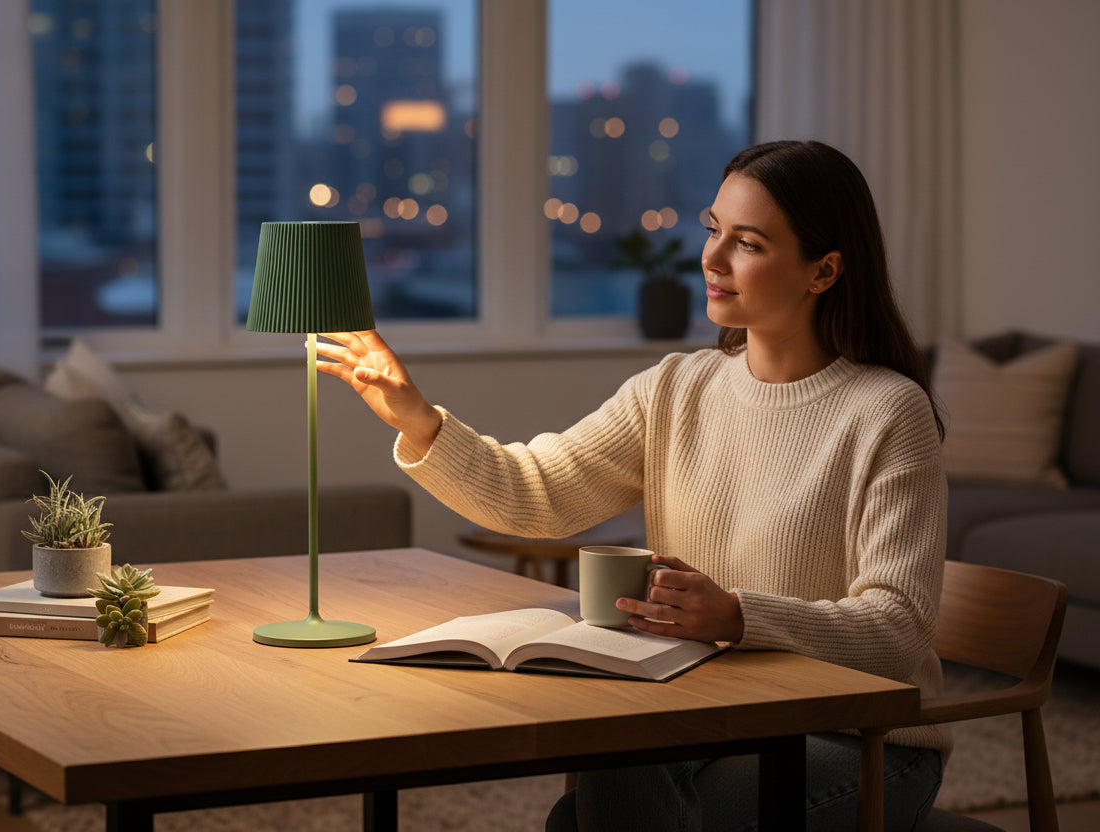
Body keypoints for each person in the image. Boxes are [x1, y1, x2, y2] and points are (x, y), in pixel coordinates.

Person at [316, 139, 948, 831]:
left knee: (618, 809)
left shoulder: (887, 412)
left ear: (823, 271)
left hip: (857, 738)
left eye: (748, 243)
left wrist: (738, 616)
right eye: (712, 230)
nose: (710, 259)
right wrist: (421, 420)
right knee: (594, 795)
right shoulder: (676, 388)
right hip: (714, 710)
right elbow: (538, 494)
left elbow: (898, 629)